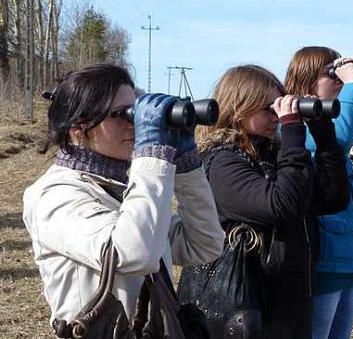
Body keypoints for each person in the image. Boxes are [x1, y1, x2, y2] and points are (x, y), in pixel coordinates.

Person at [22, 64, 224, 329]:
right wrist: (151, 158)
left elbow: (203, 244)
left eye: (137, 113)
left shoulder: (124, 188)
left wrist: (186, 166)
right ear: (78, 126)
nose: (134, 125)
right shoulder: (53, 195)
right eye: (122, 115)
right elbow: (136, 254)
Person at [184, 64, 349, 338]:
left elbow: (332, 199)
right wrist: (293, 132)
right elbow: (282, 205)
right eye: (268, 108)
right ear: (239, 107)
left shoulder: (275, 154)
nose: (276, 116)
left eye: (278, 108)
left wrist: (324, 135)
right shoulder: (222, 161)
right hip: (244, 307)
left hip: (291, 303)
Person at [284, 47, 353, 339]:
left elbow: (329, 169)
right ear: (306, 80)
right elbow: (336, 140)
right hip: (322, 263)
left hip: (345, 260)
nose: (338, 79)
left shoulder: (325, 123)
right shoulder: (296, 124)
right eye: (330, 72)